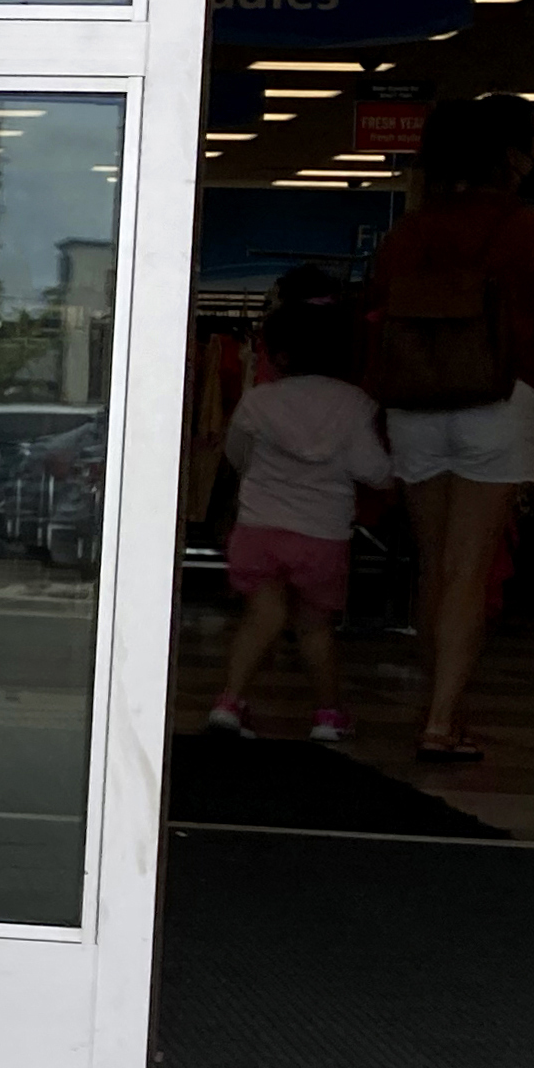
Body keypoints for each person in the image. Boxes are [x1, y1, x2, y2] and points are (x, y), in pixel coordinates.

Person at [366, 93, 534, 764]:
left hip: (415, 406)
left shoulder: (409, 233)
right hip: (497, 399)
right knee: (469, 568)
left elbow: (376, 312)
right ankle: (441, 722)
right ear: (511, 156)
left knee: (434, 568)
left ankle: (441, 710)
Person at [205, 271, 388, 742]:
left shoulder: (258, 402)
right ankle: (327, 715)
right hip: (322, 536)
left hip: (260, 528)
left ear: (278, 353)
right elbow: (375, 471)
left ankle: (229, 702)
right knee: (314, 629)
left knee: (261, 617)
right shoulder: (355, 404)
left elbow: (237, 455)